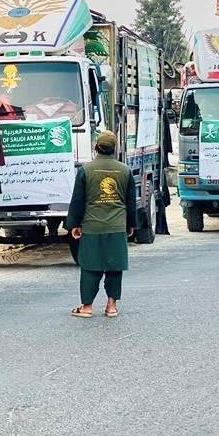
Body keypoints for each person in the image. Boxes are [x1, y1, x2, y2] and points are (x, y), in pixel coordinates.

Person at [66, 130, 137, 318]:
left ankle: (87, 307)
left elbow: (78, 201)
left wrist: (74, 224)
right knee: (115, 266)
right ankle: (111, 306)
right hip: (117, 226)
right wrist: (131, 224)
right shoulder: (125, 170)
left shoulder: (86, 170)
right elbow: (130, 202)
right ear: (115, 148)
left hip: (92, 226)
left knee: (90, 266)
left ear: (96, 147)